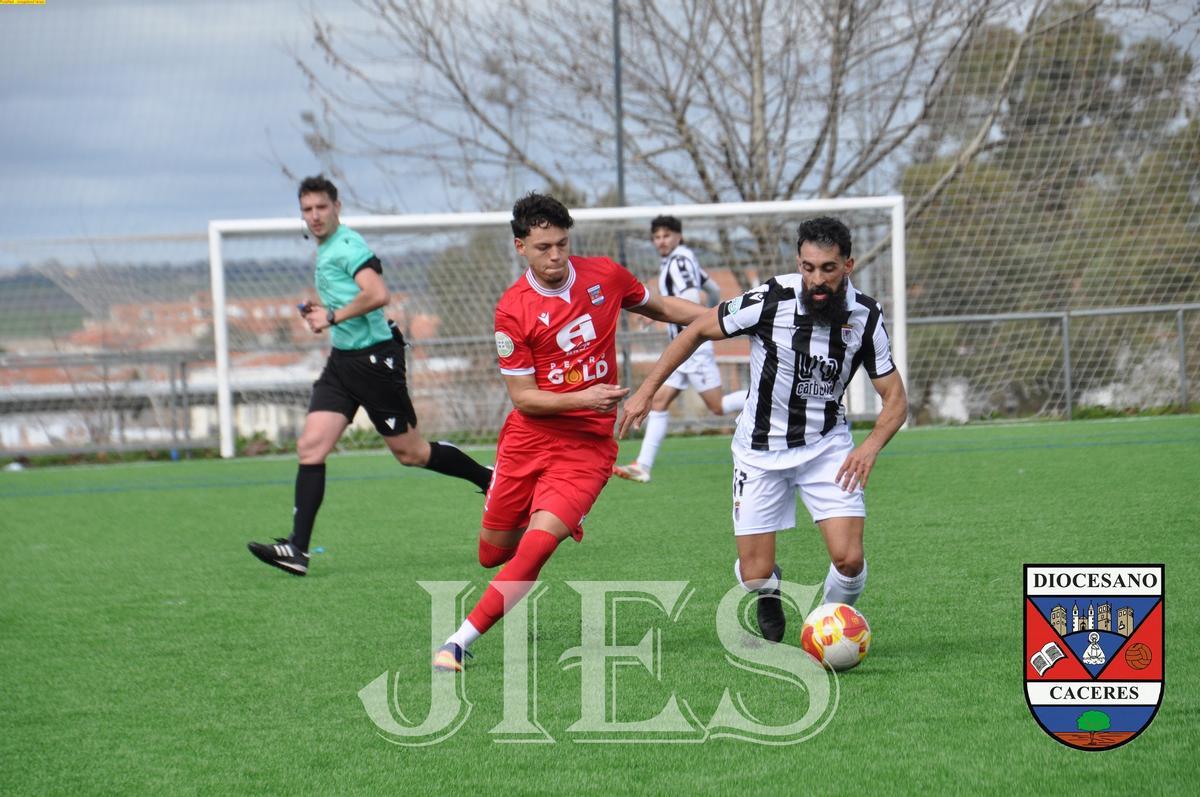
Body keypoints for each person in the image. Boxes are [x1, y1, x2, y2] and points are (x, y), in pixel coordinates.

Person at [432, 192, 706, 671]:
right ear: (521, 247)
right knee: (491, 555)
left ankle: (458, 641)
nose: (556, 255)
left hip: (588, 448)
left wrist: (725, 318)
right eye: (543, 248)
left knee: (538, 546)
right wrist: (584, 396)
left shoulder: (604, 275)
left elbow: (661, 308)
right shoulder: (511, 310)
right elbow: (524, 398)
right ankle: (500, 493)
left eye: (562, 244)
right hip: (528, 440)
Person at [618, 216, 907, 642]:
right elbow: (698, 328)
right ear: (799, 263)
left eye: (828, 268)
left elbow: (896, 398)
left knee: (848, 559)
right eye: (808, 268)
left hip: (826, 447)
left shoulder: (865, 316)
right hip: (758, 450)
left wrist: (870, 447)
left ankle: (829, 624)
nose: (817, 280)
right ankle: (767, 591)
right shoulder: (771, 298)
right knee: (754, 575)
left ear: (848, 265)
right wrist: (646, 390)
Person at [247, 175, 493, 576]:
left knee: (411, 453)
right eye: (307, 209)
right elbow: (348, 301)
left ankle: (488, 478)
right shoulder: (327, 250)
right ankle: (297, 549)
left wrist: (331, 316)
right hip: (342, 362)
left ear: (336, 207)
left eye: (321, 207)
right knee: (311, 447)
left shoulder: (348, 245)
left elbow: (378, 294)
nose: (314, 216)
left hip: (375, 361)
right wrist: (322, 313)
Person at [612, 215, 745, 484]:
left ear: (678, 236)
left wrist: (697, 323)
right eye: (657, 237)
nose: (662, 241)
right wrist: (708, 313)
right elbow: (714, 288)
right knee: (659, 401)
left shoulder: (679, 260)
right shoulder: (685, 258)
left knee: (717, 406)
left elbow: (691, 296)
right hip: (683, 347)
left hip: (691, 346)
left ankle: (771, 396)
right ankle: (643, 465)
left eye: (667, 235)